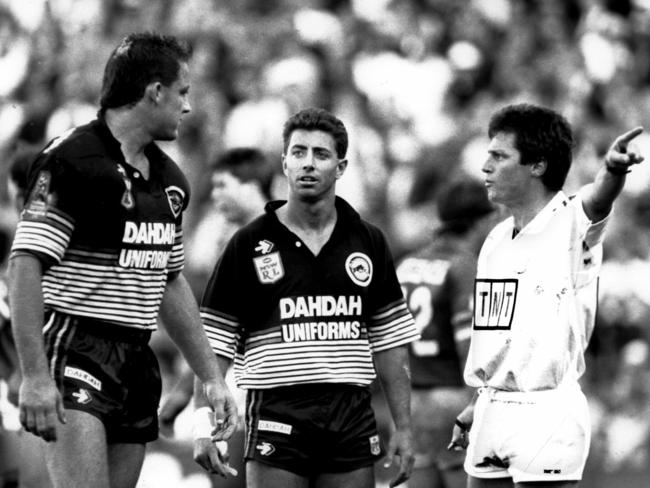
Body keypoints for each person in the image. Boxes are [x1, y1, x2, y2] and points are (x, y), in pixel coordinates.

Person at [7, 32, 237, 488]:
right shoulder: (71, 160)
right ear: (155, 91)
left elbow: (169, 282)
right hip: (75, 347)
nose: (187, 107)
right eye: (183, 93)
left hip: (135, 356)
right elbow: (25, 264)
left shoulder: (171, 181)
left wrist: (211, 376)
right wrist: (33, 374)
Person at [193, 107, 419, 488]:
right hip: (277, 410)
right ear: (284, 163)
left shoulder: (369, 241)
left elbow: (389, 345)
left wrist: (404, 427)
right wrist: (202, 423)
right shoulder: (248, 243)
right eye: (298, 153)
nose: (308, 164)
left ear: (342, 167)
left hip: (350, 413)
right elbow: (212, 345)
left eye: (321, 154)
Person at [447, 103, 645, 488]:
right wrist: (478, 403)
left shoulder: (571, 222)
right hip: (492, 409)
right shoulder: (495, 239)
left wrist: (614, 170)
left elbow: (598, 197)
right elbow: (500, 335)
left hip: (546, 412)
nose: (485, 166)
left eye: (499, 156)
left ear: (537, 165)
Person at [395, 178, 495, 488]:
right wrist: (480, 399)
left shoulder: (406, 264)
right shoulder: (465, 265)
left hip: (412, 403)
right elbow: (470, 344)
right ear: (482, 220)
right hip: (452, 400)